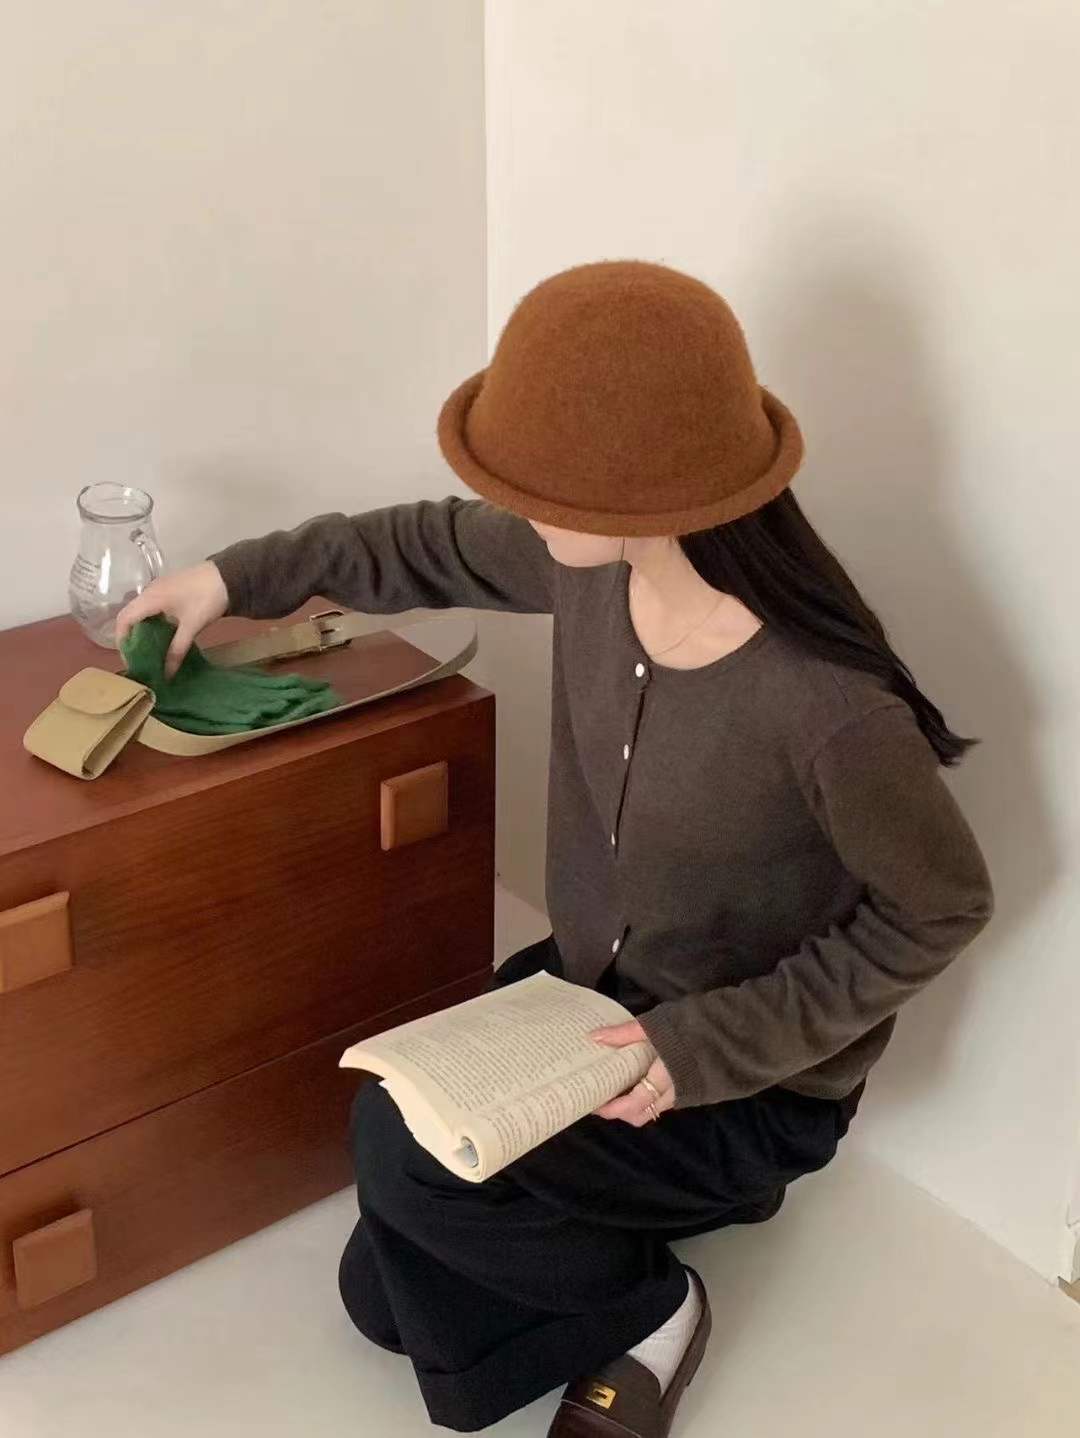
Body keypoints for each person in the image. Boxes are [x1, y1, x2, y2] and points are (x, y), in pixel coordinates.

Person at [116, 260, 993, 1437]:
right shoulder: (589, 566)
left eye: (536, 491)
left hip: (739, 1080)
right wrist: (232, 578)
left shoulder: (824, 704)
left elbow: (939, 906)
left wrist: (704, 1047)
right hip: (588, 1000)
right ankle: (615, 1229)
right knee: (378, 1293)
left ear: (642, 500)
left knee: (397, 1154)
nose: (512, 510)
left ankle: (655, 1309)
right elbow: (420, 544)